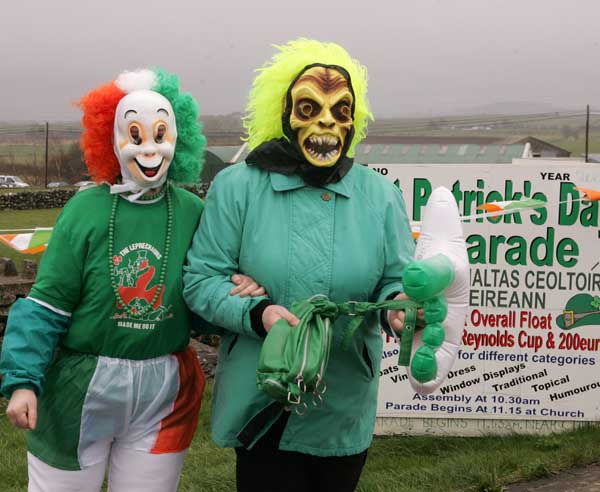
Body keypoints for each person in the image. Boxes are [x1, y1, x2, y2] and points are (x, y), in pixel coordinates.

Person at [0, 68, 263, 492]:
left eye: (160, 133)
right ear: (112, 138)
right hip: (79, 390)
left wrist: (236, 293)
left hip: (165, 394)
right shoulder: (84, 211)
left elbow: (200, 298)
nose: (149, 148)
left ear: (178, 138)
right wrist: (23, 382)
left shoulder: (194, 211)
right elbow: (46, 304)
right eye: (135, 134)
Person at [183, 39, 415, 492]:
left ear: (354, 119)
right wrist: (258, 313)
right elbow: (201, 279)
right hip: (263, 395)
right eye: (308, 107)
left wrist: (395, 308)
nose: (327, 120)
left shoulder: (380, 196)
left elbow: (395, 278)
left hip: (342, 395)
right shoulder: (237, 187)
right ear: (284, 113)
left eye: (340, 108)